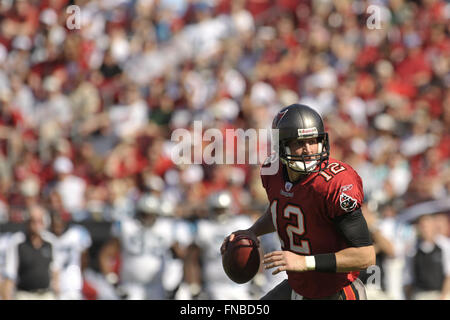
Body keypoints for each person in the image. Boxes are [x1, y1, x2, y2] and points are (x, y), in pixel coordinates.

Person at [221, 104, 376, 300]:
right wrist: (252, 231)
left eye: (313, 141)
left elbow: (365, 256)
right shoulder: (273, 171)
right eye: (299, 143)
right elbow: (281, 210)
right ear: (281, 145)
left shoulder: (334, 184)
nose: (308, 150)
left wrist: (305, 262)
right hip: (299, 288)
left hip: (336, 291)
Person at [1, 205, 60, 300]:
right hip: (24, 294)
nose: (37, 225)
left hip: (46, 294)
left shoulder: (50, 242)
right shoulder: (18, 242)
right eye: (33, 221)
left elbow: (55, 269)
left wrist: (57, 291)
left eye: (40, 221)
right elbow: (10, 273)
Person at [44, 211, 92, 300]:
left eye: (59, 223)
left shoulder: (76, 234)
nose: (57, 227)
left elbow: (84, 259)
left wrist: (79, 275)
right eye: (54, 224)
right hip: (53, 286)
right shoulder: (46, 237)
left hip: (72, 286)